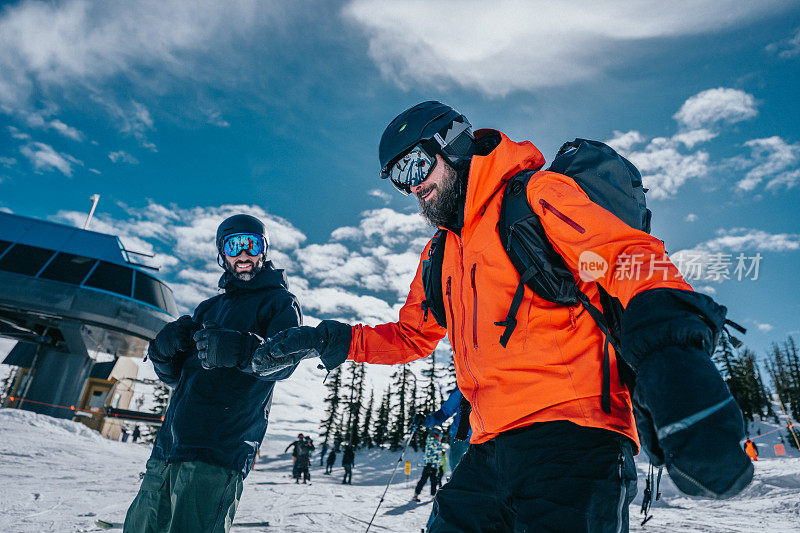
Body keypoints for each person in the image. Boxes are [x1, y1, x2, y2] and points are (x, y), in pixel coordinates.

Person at [196, 102, 752, 531]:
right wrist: (322, 339)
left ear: (454, 144)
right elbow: (412, 336)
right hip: (487, 447)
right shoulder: (441, 252)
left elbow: (626, 258)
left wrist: (675, 359)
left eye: (416, 164)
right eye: (398, 177)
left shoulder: (535, 196)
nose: (412, 186)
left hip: (575, 440)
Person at [123, 214, 303, 533]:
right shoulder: (208, 308)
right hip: (168, 449)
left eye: (253, 244)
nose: (244, 254)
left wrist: (241, 349)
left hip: (218, 453)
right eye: (235, 246)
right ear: (223, 254)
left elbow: (285, 361)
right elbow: (176, 379)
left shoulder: (280, 302)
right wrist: (163, 352)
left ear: (264, 250)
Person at [422, 386, 471, 475]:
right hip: (462, 437)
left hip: (491, 439)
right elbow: (446, 411)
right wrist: (427, 420)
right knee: (459, 478)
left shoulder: (500, 380)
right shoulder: (466, 382)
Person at [414, 429, 443, 502]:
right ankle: (416, 494)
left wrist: (439, 464)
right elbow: (429, 453)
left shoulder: (437, 442)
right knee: (424, 479)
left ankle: (433, 495)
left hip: (434, 465)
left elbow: (437, 454)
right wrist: (429, 463)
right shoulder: (432, 441)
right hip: (429, 465)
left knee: (434, 481)